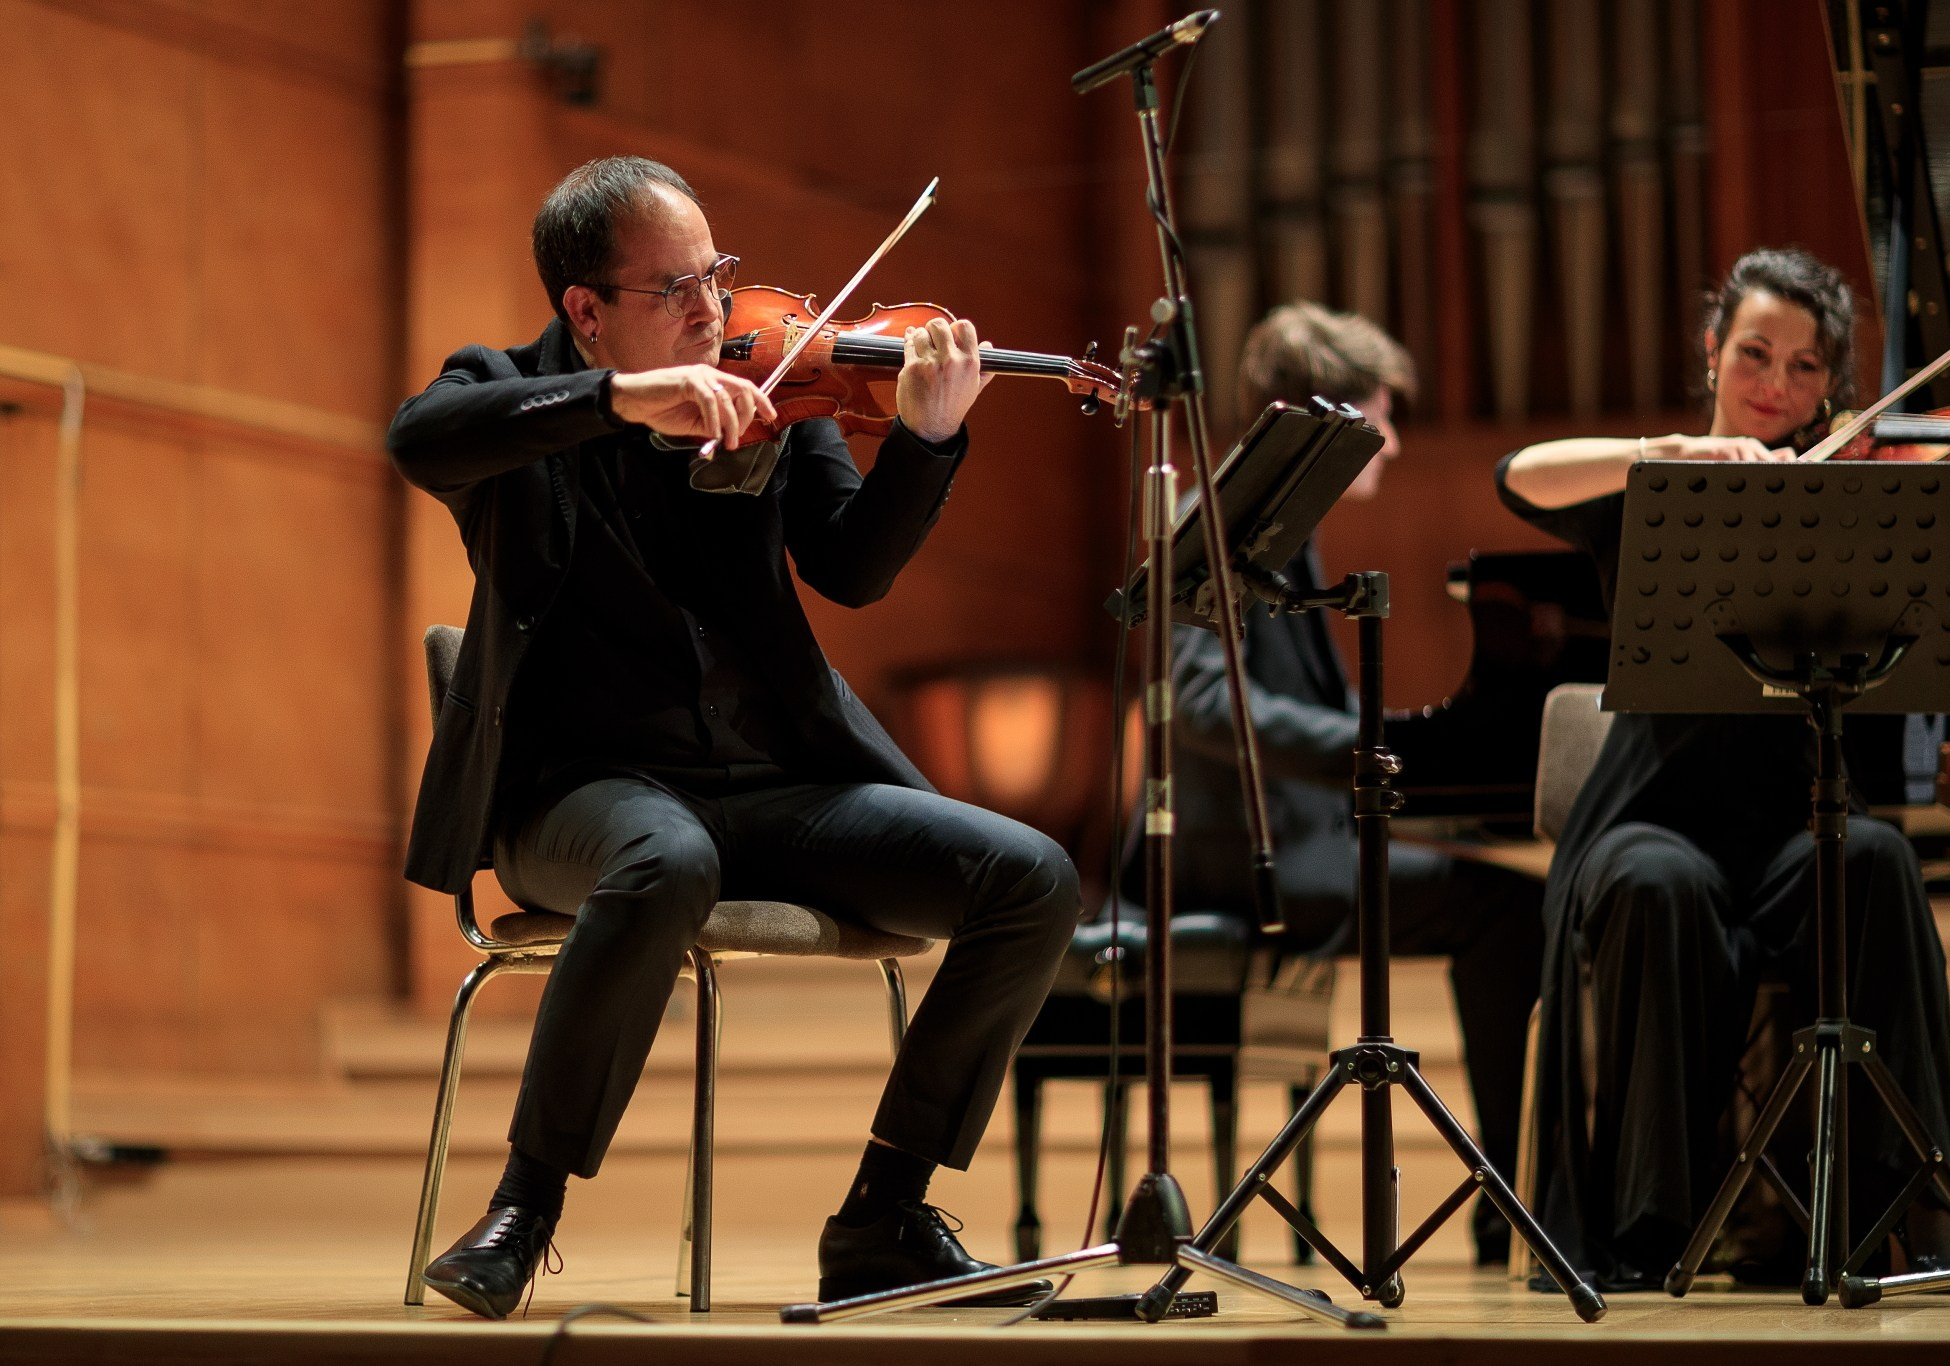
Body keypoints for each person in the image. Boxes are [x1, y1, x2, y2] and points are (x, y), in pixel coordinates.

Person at [390, 155, 1082, 1319]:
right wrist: (617, 403)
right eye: (675, 288)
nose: (712, 309)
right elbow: (424, 440)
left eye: (717, 274)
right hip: (577, 796)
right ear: (586, 311)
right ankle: (523, 1207)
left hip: (772, 789)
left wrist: (924, 440)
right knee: (667, 858)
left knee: (1030, 876)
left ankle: (882, 1216)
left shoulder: (771, 379)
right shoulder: (506, 390)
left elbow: (852, 571)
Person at [1498, 245, 1950, 1290]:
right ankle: (1646, 1225)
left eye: (1802, 369)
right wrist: (1659, 452)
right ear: (1710, 352)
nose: (1773, 385)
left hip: (1799, 820)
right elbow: (1514, 477)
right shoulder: (1652, 480)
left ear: (1829, 390)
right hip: (1646, 817)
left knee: (1876, 860)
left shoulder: (1859, 492)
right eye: (1753, 352)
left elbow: (1937, 627)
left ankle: (1905, 1214)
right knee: (1658, 884)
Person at [1129, 301, 1546, 1265]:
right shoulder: (1217, 528)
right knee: (1507, 915)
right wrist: (1361, 745)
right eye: (1380, 417)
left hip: (1303, 839)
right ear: (1321, 419)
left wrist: (1382, 749)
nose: (1394, 443)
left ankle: (1518, 1190)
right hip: (1251, 864)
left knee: (1509, 896)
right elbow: (1197, 705)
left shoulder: (1281, 532)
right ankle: (1510, 1199)